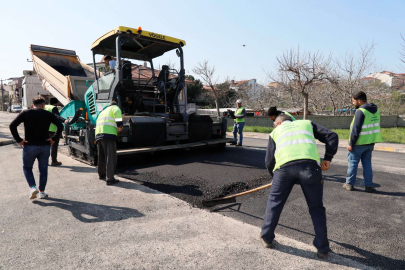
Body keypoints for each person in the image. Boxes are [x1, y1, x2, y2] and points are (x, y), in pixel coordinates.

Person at [260, 114, 338, 259]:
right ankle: (322, 248)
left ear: (278, 124)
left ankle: (266, 237)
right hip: (310, 168)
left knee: (274, 204)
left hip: (283, 170)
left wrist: (275, 177)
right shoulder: (306, 124)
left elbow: (269, 160)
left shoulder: (275, 132)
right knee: (316, 208)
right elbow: (332, 136)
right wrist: (328, 158)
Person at [9, 96, 63, 199]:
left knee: (27, 167)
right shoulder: (48, 114)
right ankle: (42, 192)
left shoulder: (25, 113)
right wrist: (53, 138)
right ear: (43, 105)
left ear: (33, 104)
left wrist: (19, 140)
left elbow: (12, 125)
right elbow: (60, 126)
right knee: (43, 170)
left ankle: (33, 187)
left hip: (29, 146)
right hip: (45, 146)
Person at [344, 91, 382, 193]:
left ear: (359, 101)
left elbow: (356, 130)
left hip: (358, 144)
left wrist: (351, 144)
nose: (353, 103)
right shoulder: (376, 110)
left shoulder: (361, 111)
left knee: (352, 164)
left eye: (353, 101)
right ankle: (368, 186)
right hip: (370, 143)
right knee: (367, 165)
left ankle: (349, 184)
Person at [95, 101, 123, 185]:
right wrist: (120, 126)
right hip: (109, 134)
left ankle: (101, 174)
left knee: (101, 156)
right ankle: (110, 178)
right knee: (110, 156)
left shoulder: (102, 112)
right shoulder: (115, 108)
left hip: (99, 134)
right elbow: (118, 115)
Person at [44, 98, 69, 166]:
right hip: (53, 130)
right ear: (56, 103)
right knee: (54, 146)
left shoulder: (45, 107)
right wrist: (64, 120)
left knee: (46, 146)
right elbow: (56, 116)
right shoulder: (54, 108)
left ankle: (44, 161)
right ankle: (54, 161)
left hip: (44, 129)